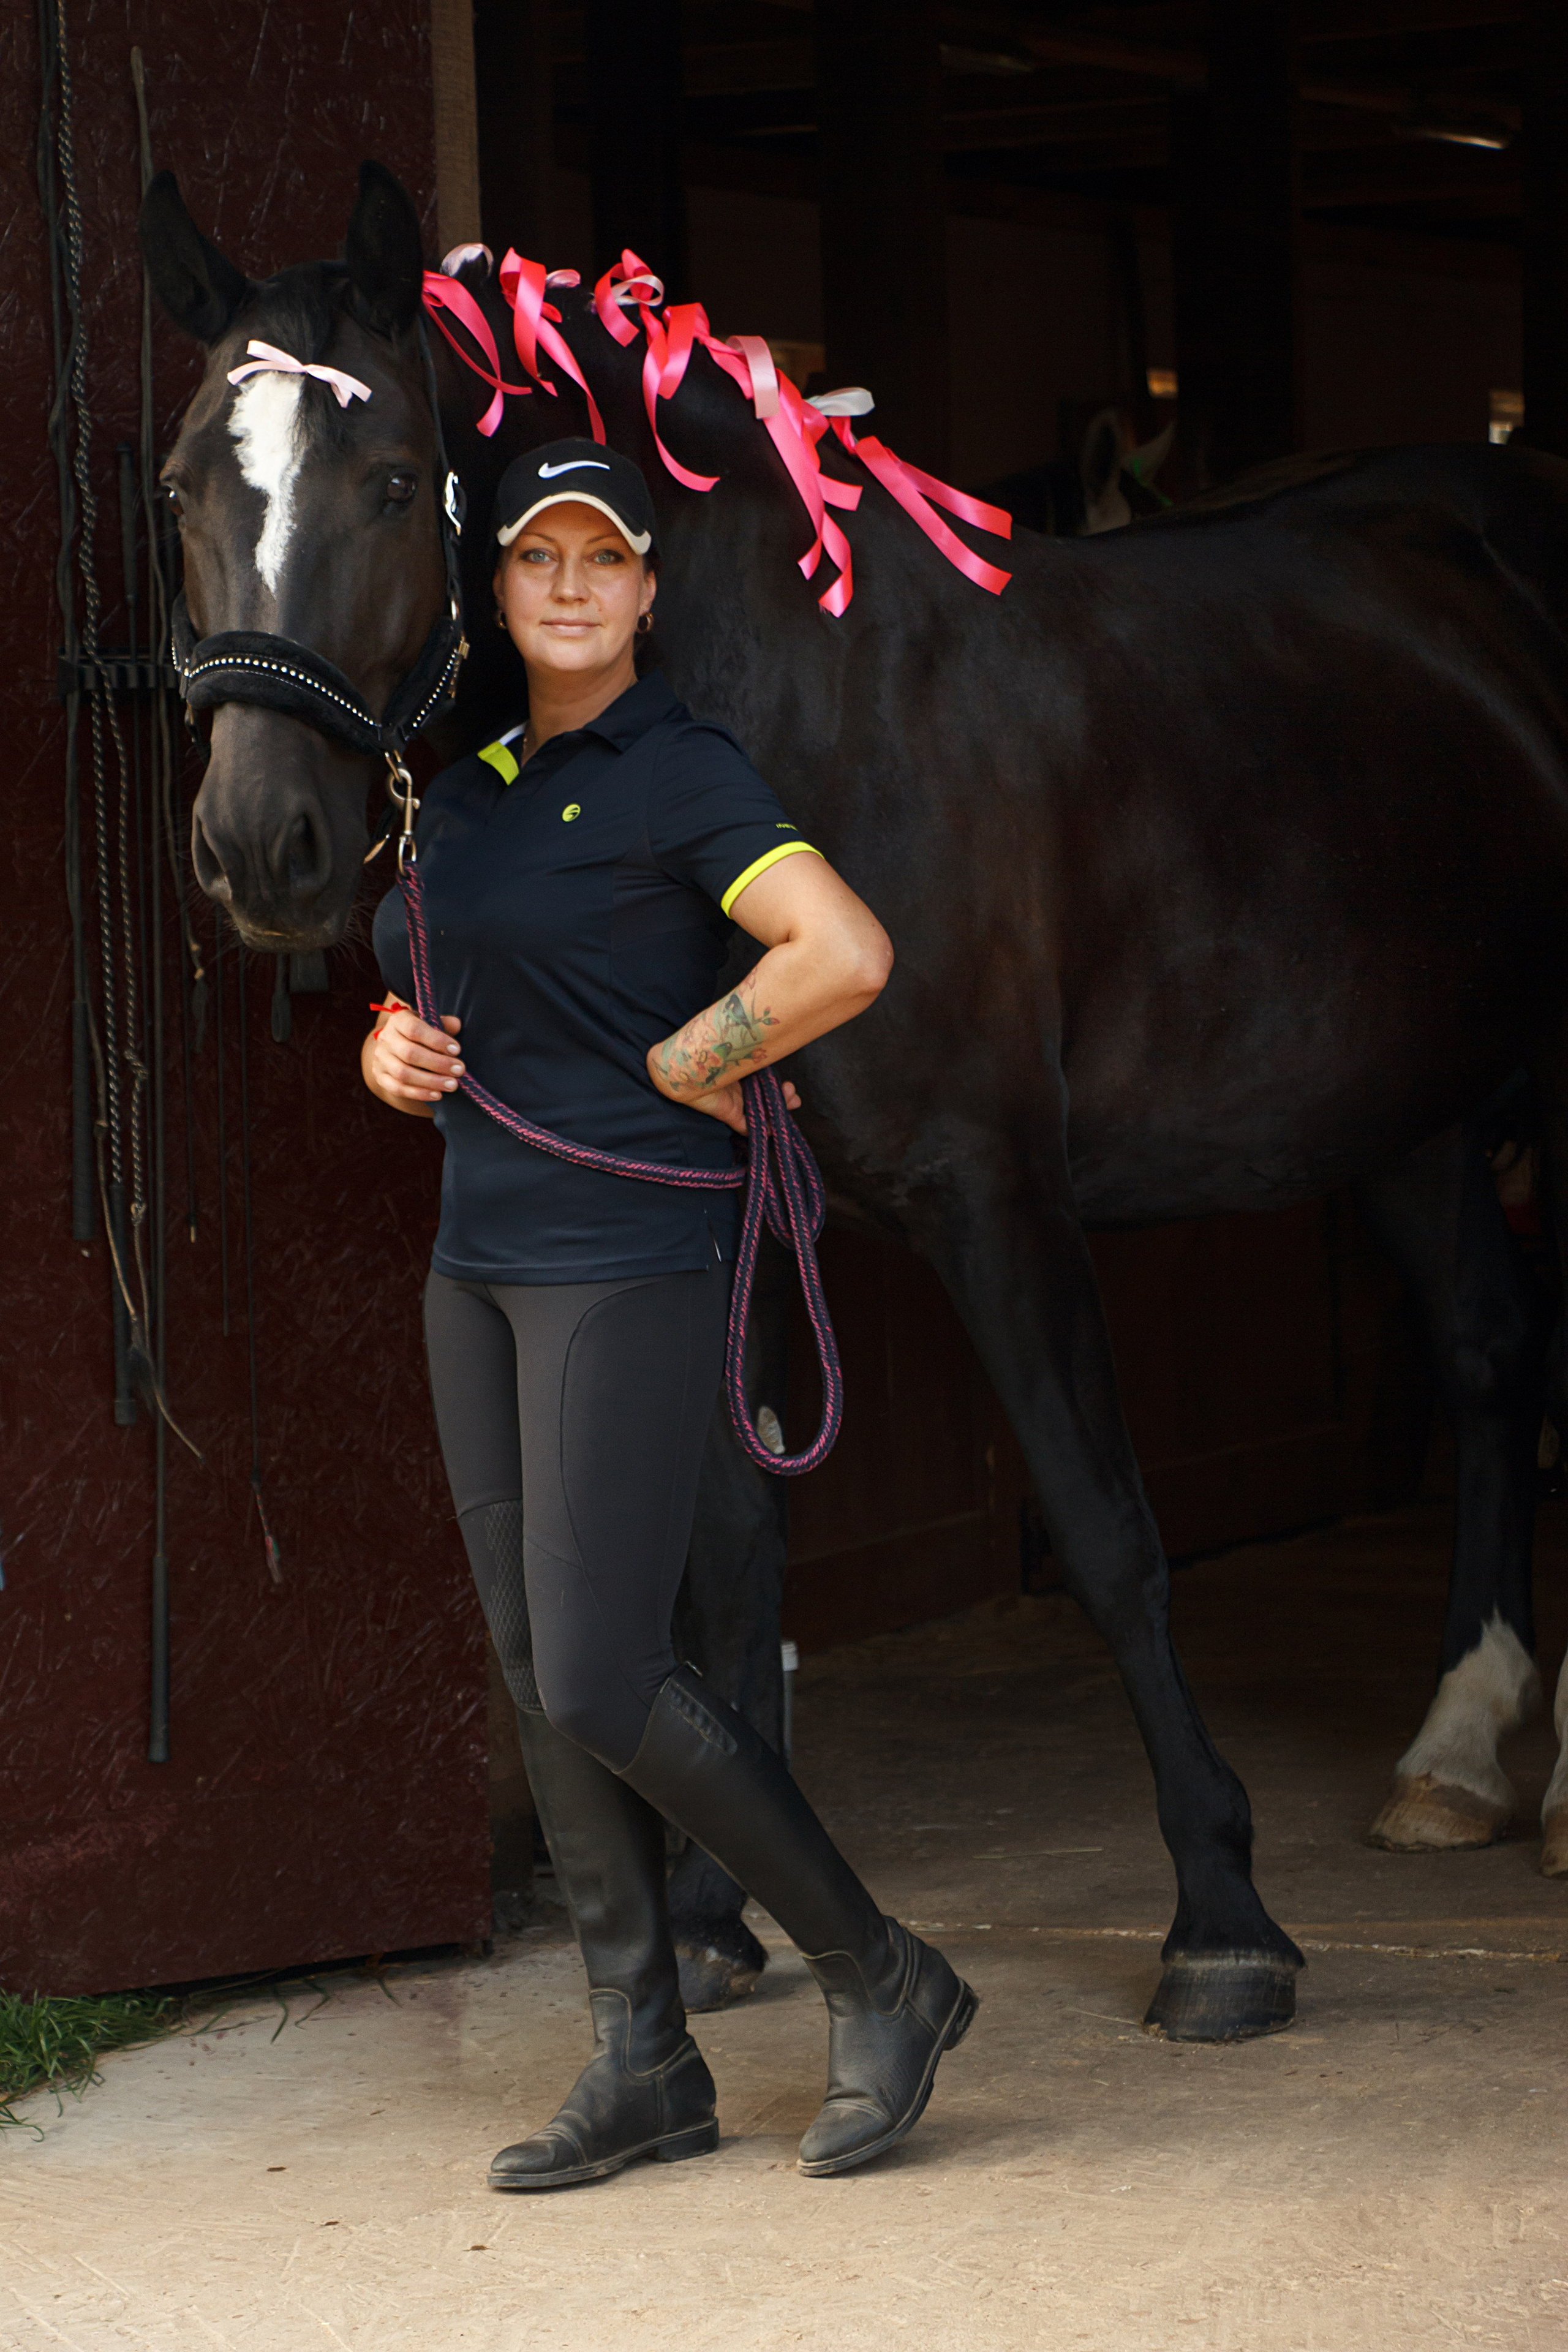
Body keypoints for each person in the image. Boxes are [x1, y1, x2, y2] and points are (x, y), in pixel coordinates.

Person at [366, 438, 978, 2190]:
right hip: (474, 1262)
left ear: (645, 590)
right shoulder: (465, 782)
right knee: (539, 1667)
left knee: (609, 1666)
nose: (568, 587)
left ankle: (884, 1969)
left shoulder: (679, 767)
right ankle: (642, 2056)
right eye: (538, 560)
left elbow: (840, 952)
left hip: (625, 1257)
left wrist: (692, 1054)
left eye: (602, 560)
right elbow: (415, 981)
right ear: (499, 587)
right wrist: (386, 1052)